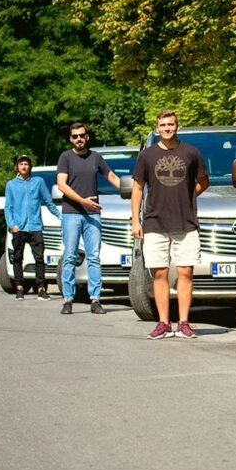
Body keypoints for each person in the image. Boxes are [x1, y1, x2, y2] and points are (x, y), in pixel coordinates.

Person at [131, 110, 209, 340]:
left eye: (171, 124)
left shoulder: (191, 153)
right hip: (155, 222)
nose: (167, 128)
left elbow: (203, 181)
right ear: (157, 129)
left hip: (185, 222)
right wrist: (136, 220)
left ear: (178, 126)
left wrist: (187, 195)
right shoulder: (147, 156)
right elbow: (137, 188)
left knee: (186, 271)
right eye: (162, 125)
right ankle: (163, 323)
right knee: (160, 272)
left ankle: (184, 322)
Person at [56, 122, 120, 316]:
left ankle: (95, 299)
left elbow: (112, 177)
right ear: (70, 139)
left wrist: (133, 190)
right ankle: (68, 299)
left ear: (87, 137)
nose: (79, 139)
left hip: (92, 214)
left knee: (94, 258)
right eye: (75, 136)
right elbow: (61, 185)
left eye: (82, 135)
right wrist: (83, 201)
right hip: (71, 213)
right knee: (69, 257)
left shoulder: (96, 157)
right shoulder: (65, 157)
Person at [4, 154, 61, 300]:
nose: (24, 166)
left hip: (35, 226)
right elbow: (8, 207)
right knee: (17, 258)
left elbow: (48, 201)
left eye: (26, 164)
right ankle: (19, 287)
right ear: (17, 167)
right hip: (19, 227)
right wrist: (12, 225)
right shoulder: (11, 185)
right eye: (21, 164)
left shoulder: (38, 182)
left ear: (30, 167)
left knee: (40, 258)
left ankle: (41, 288)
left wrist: (61, 217)